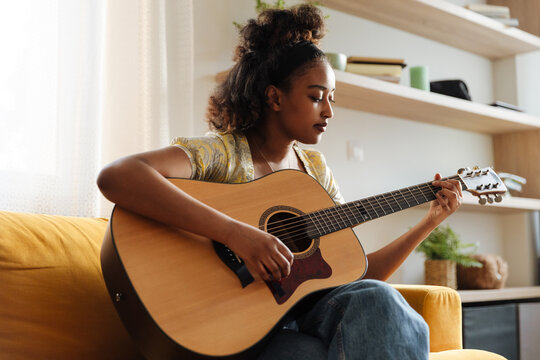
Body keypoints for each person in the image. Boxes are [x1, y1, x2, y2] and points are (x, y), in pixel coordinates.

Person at [97, 4, 463, 360]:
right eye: (316, 97)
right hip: (227, 325)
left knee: (379, 301)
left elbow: (358, 278)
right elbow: (118, 176)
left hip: (295, 322)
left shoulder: (316, 172)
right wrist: (236, 234)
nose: (329, 111)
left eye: (331, 99)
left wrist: (428, 222)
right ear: (274, 96)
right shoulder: (222, 153)